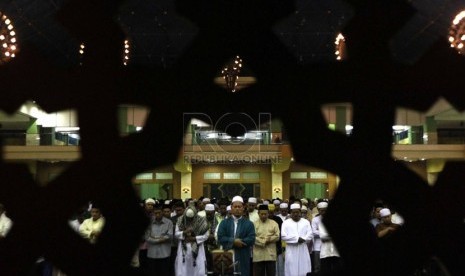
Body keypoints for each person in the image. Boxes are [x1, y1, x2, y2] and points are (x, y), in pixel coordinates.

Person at [217, 195, 256, 276]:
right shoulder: (224, 223)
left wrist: (240, 242)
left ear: (243, 208)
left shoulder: (249, 224)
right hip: (227, 255)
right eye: (235, 206)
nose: (237, 209)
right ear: (231, 208)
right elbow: (220, 237)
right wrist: (234, 241)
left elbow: (251, 238)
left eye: (239, 206)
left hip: (243, 255)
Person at [175, 204, 209, 276]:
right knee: (183, 269)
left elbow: (206, 235)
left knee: (198, 269)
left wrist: (194, 239)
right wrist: (184, 232)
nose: (190, 220)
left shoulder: (201, 221)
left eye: (192, 218)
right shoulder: (180, 220)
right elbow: (176, 233)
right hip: (183, 248)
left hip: (198, 248)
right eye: (188, 218)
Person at [281, 203, 313, 276]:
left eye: (297, 212)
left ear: (300, 212)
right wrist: (296, 239)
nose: (295, 214)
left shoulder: (306, 222)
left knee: (304, 269)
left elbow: (310, 235)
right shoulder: (286, 223)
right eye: (293, 212)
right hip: (291, 250)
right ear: (291, 213)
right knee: (291, 269)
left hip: (303, 249)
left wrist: (303, 239)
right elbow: (283, 236)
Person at [145, 203, 173, 276]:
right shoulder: (149, 222)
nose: (157, 214)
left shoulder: (169, 222)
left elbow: (169, 236)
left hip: (164, 254)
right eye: (155, 213)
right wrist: (160, 239)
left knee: (164, 273)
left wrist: (154, 238)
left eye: (159, 213)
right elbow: (147, 237)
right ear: (153, 213)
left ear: (162, 213)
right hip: (152, 254)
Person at [253, 204, 280, 276]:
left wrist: (270, 239)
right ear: (258, 214)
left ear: (268, 213)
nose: (263, 216)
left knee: (271, 274)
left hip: (270, 254)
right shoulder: (254, 224)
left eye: (265, 214)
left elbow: (277, 236)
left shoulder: (274, 223)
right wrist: (264, 241)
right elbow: (252, 237)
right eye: (262, 214)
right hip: (258, 255)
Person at [311, 201, 328, 274]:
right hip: (317, 247)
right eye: (322, 210)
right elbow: (313, 232)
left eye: (325, 210)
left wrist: (319, 231)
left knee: (327, 266)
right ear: (318, 210)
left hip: (328, 246)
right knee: (317, 267)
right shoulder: (315, 219)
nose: (324, 212)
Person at [204, 203, 220, 273]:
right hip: (204, 247)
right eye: (207, 214)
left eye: (211, 214)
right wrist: (207, 236)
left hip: (216, 247)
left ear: (214, 212)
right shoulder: (201, 221)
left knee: (216, 266)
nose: (209, 215)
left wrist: (214, 236)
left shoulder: (219, 219)